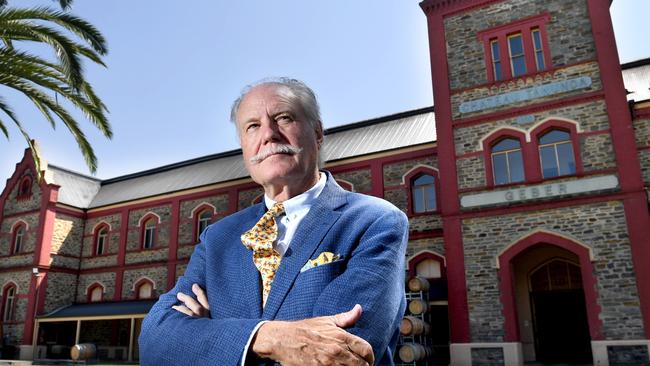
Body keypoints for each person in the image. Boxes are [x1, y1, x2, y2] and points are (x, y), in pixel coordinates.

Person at [139, 78, 408, 365]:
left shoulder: (375, 221)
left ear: (317, 133)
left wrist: (207, 338)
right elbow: (155, 342)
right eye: (252, 126)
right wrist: (266, 338)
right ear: (244, 146)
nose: (268, 134)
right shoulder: (217, 238)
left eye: (284, 118)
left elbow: (342, 354)